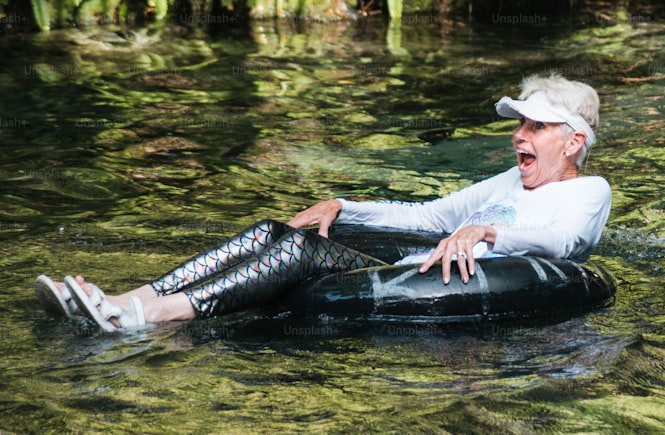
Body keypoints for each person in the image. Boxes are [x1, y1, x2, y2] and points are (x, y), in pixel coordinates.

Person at [34, 73, 612, 332]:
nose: (519, 135)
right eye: (520, 125)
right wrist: (344, 205)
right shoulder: (504, 183)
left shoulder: (589, 191)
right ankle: (127, 298)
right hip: (413, 268)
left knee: (302, 257)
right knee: (271, 232)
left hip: (451, 287)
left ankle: (151, 319)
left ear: (573, 140)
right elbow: (429, 216)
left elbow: (565, 245)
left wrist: (487, 235)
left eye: (536, 126)